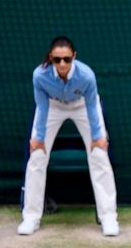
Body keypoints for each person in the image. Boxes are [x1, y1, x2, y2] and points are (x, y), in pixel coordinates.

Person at [18, 36, 119, 236]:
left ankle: (108, 218)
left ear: (74, 57)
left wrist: (98, 136)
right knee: (37, 157)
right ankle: (30, 217)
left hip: (82, 105)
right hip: (52, 106)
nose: (62, 64)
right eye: (57, 60)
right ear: (50, 58)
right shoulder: (40, 75)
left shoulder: (86, 76)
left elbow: (92, 106)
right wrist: (38, 138)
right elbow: (42, 106)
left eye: (66, 59)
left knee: (99, 154)